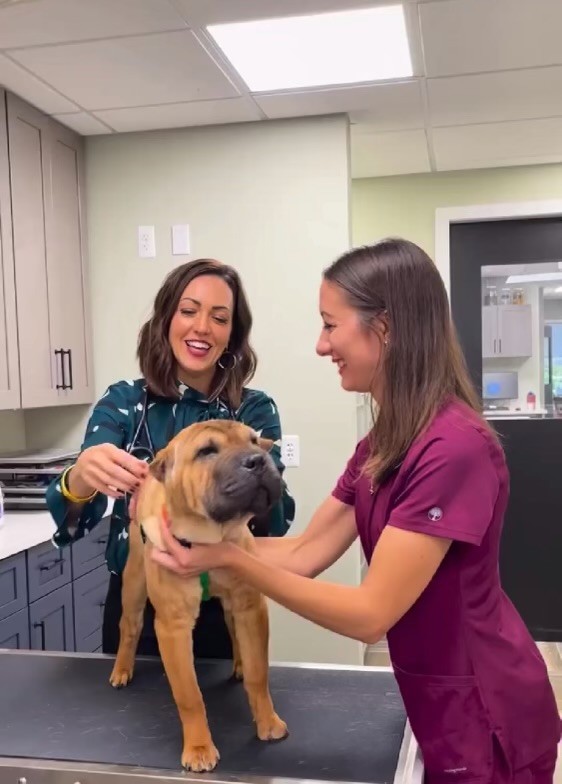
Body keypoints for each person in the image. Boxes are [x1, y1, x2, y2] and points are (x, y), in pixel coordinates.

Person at [151, 239, 561, 784]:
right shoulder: (382, 444)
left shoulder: (453, 447)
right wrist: (194, 546)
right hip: (435, 691)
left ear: (384, 328)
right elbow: (304, 551)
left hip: (484, 703)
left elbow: (371, 613)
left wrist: (231, 560)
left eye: (330, 325)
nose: (322, 346)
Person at [46, 258, 295, 660]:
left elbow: (275, 524)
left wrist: (249, 488)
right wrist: (80, 478)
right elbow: (72, 526)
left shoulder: (253, 411)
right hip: (137, 611)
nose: (202, 328)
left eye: (219, 317)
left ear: (232, 334)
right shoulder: (123, 403)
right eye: (188, 311)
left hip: (224, 608)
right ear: (166, 319)